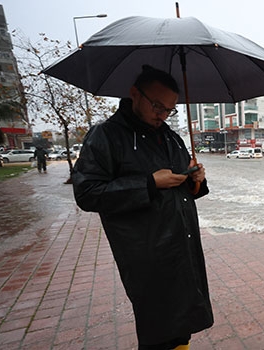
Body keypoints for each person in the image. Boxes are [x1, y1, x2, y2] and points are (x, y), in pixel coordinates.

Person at [72, 65, 213, 350]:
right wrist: (148, 183)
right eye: (157, 105)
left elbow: (181, 187)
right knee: (159, 328)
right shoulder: (106, 136)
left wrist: (195, 180)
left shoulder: (170, 136)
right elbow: (87, 193)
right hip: (146, 252)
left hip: (183, 245)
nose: (162, 114)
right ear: (134, 93)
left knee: (183, 322)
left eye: (170, 109)